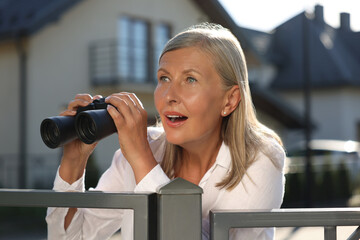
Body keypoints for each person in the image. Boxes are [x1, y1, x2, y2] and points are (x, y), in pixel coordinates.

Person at [46, 22, 285, 240]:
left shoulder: (261, 159)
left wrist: (142, 161)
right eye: (164, 78)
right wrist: (74, 163)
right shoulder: (148, 146)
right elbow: (70, 238)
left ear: (230, 101)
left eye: (190, 79)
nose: (169, 96)